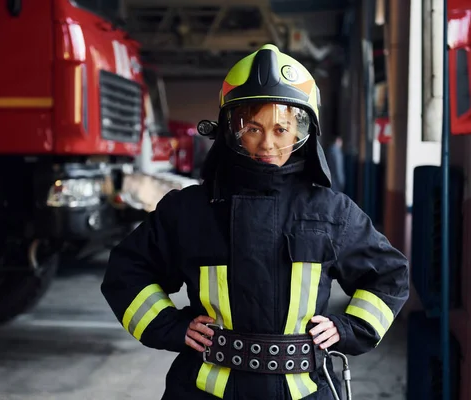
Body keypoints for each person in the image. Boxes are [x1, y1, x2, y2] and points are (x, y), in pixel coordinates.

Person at [101, 44, 409, 400]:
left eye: (281, 129)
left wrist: (349, 327)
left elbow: (390, 275)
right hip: (203, 390)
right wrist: (169, 325)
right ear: (231, 130)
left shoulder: (331, 212)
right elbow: (126, 271)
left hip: (305, 390)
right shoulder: (188, 209)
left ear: (301, 134)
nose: (267, 144)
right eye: (253, 128)